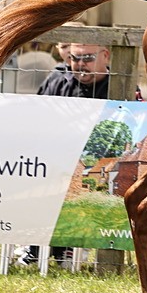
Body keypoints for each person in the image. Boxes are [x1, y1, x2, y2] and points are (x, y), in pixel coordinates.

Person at [27, 42, 111, 266]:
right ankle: (34, 248)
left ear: (106, 56)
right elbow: (37, 119)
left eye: (88, 58)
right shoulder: (56, 81)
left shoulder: (120, 86)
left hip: (92, 164)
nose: (81, 65)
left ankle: (71, 248)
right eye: (75, 58)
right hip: (53, 160)